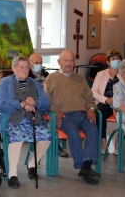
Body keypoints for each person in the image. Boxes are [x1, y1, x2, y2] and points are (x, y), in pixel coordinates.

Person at [44, 50, 101, 184]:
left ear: (74, 62)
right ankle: (83, 166)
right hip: (65, 116)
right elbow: (46, 101)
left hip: (83, 114)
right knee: (74, 134)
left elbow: (90, 97)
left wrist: (91, 108)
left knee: (93, 130)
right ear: (59, 62)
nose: (69, 63)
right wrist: (55, 111)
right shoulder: (51, 79)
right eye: (65, 60)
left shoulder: (80, 78)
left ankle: (85, 167)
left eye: (71, 60)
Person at [0, 56, 51, 188]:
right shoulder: (5, 82)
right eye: (21, 67)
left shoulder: (34, 83)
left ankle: (32, 164)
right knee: (17, 136)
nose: (24, 70)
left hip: (32, 120)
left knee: (47, 136)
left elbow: (47, 104)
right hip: (12, 120)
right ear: (13, 68)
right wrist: (21, 104)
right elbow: (1, 104)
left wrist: (35, 103)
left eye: (27, 67)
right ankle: (12, 175)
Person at [28, 53, 69, 158]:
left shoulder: (47, 76)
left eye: (40, 62)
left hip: (50, 102)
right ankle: (55, 146)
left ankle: (59, 138)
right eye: (36, 63)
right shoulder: (27, 78)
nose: (39, 65)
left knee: (64, 113)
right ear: (30, 64)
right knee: (51, 118)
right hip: (37, 106)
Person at [91, 49, 123, 155]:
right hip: (105, 102)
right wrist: (105, 99)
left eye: (118, 59)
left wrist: (118, 100)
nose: (116, 61)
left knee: (124, 116)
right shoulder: (101, 74)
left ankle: (118, 140)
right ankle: (103, 140)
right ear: (108, 62)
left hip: (120, 103)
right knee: (99, 114)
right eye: (113, 59)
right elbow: (94, 91)